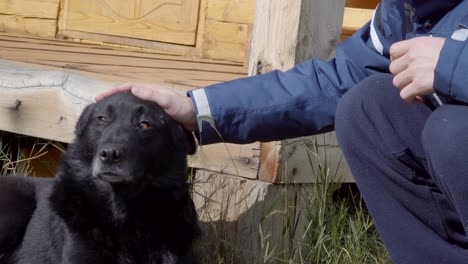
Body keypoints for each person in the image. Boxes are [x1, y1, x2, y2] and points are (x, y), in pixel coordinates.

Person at [96, 1, 468, 262]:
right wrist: (196, 109)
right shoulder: (411, 9)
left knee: (453, 132)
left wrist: (454, 64)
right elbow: (340, 80)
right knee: (368, 107)